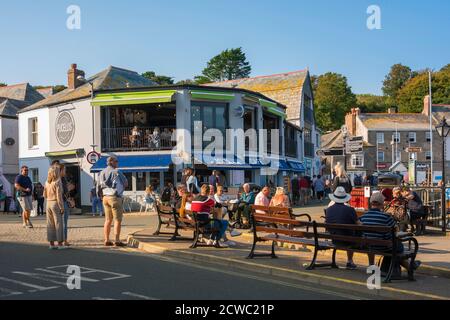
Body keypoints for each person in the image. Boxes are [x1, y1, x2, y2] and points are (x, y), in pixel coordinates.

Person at [360, 192, 421, 273]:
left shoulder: (363, 217)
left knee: (394, 246)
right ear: (382, 204)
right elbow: (396, 231)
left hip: (368, 246)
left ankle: (410, 265)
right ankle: (410, 265)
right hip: (384, 247)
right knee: (398, 246)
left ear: (371, 203)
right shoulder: (386, 217)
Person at [325, 187, 359, 270]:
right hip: (347, 240)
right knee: (353, 234)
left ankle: (347, 261)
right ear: (345, 199)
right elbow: (359, 224)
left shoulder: (328, 210)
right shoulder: (350, 210)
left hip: (334, 239)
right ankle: (350, 261)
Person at [98, 156, 129, 247]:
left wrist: (100, 195)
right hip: (115, 197)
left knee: (107, 220)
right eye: (116, 161)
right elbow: (126, 183)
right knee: (117, 220)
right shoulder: (117, 172)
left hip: (105, 197)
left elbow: (98, 186)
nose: (117, 163)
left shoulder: (101, 172)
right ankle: (117, 240)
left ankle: (107, 240)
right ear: (111, 162)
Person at [44, 166, 66, 249]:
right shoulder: (58, 181)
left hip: (48, 203)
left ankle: (51, 243)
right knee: (58, 223)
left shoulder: (46, 182)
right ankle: (60, 244)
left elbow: (44, 194)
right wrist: (62, 207)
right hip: (55, 203)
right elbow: (59, 196)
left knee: (50, 224)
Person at [59, 164, 71, 247]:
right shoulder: (59, 180)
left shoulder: (63, 179)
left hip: (65, 201)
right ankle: (64, 240)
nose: (65, 171)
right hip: (62, 202)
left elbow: (65, 191)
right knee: (64, 222)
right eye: (64, 170)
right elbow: (60, 193)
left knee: (64, 222)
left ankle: (63, 240)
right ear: (60, 170)